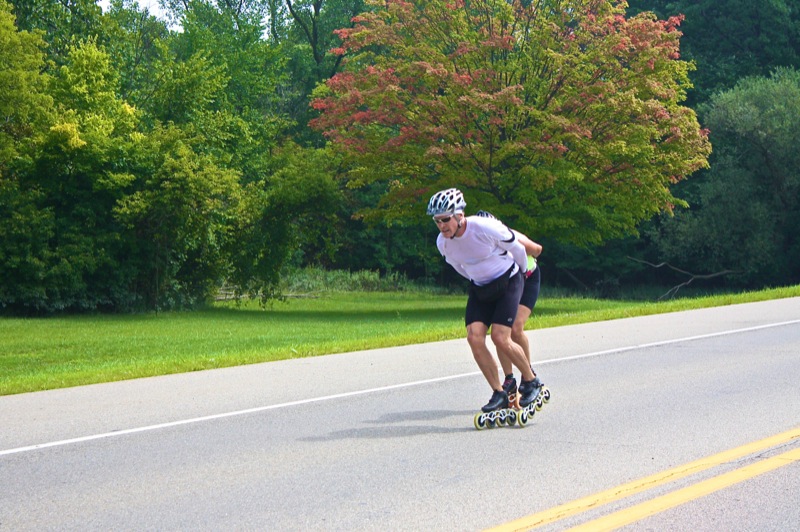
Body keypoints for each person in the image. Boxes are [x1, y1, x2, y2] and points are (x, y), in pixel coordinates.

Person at [427, 188, 542, 413]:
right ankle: (499, 392)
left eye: (445, 220)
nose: (442, 226)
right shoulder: (443, 242)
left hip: (509, 280)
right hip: (480, 287)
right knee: (474, 338)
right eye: (437, 221)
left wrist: (518, 274)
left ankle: (530, 380)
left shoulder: (484, 226)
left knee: (501, 337)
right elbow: (458, 266)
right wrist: (478, 277)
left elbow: (518, 249)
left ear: (459, 215)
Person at [475, 210, 543, 406]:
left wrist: (523, 251)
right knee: (500, 330)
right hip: (506, 285)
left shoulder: (508, 235)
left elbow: (537, 249)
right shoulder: (478, 244)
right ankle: (509, 379)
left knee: (515, 328)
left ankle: (527, 374)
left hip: (528, 278)